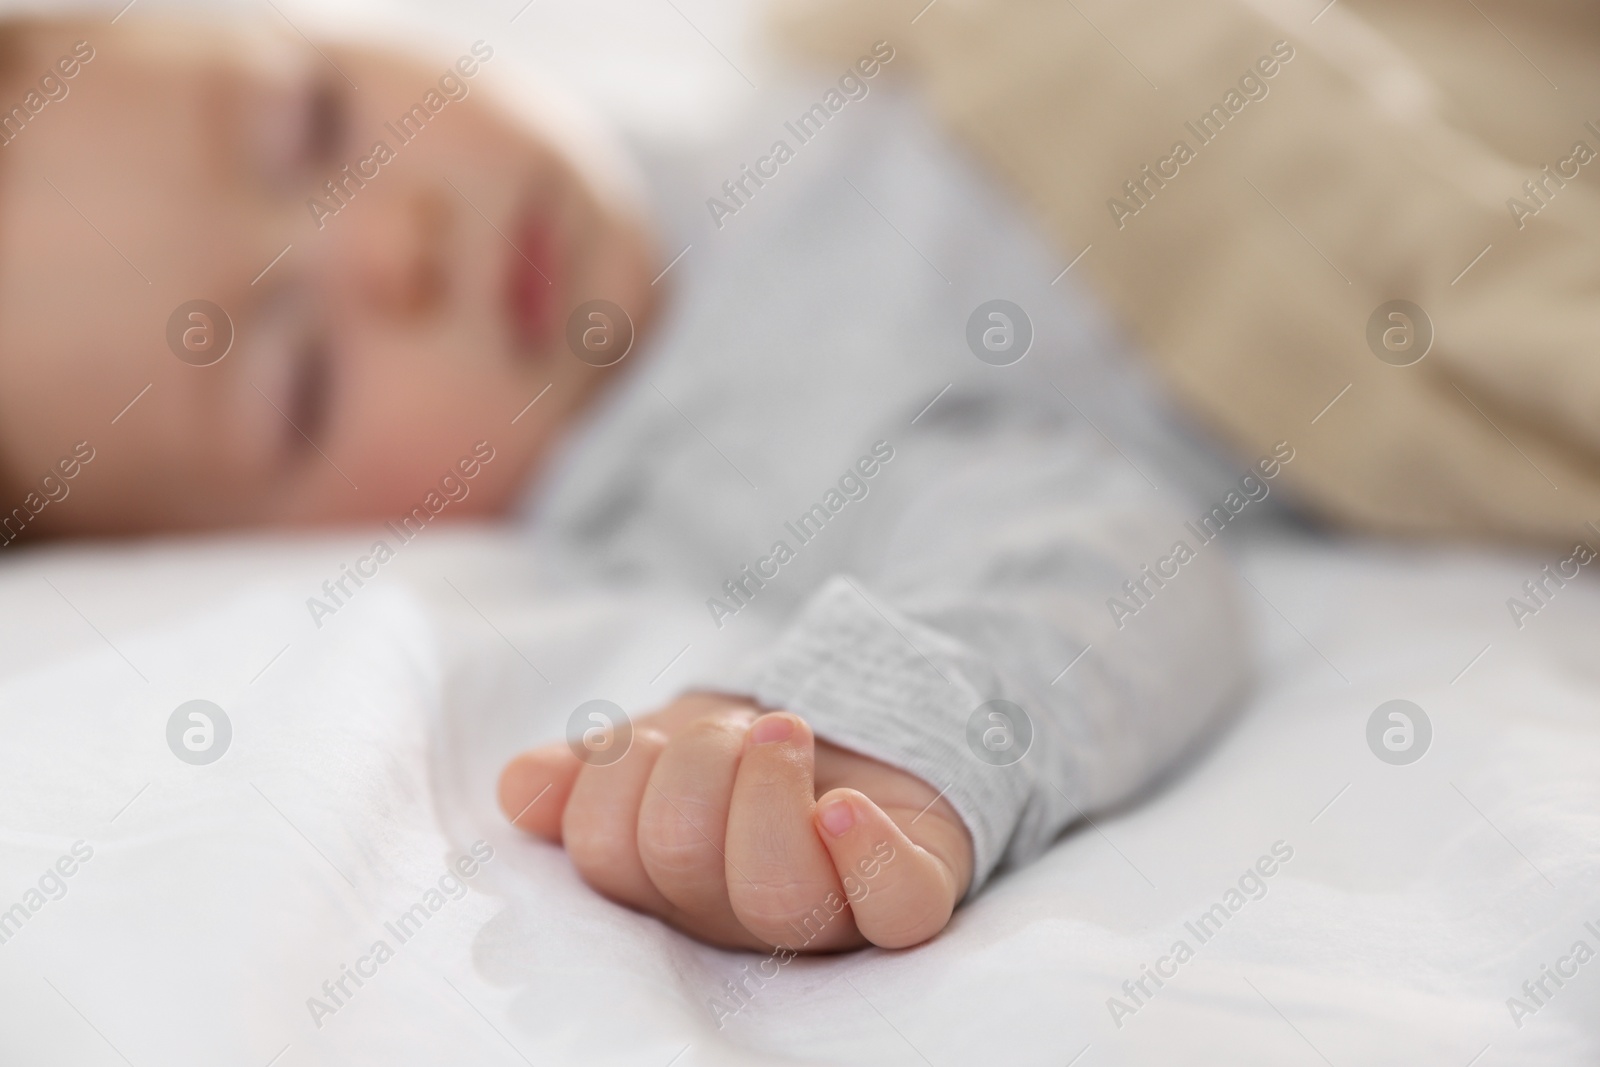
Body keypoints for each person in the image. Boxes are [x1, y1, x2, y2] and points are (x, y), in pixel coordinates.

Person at [0, 14, 1249, 951]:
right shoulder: (720, 442)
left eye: (310, 125)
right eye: (298, 382)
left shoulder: (709, 119)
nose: (395, 245)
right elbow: (1108, 544)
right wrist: (880, 737)